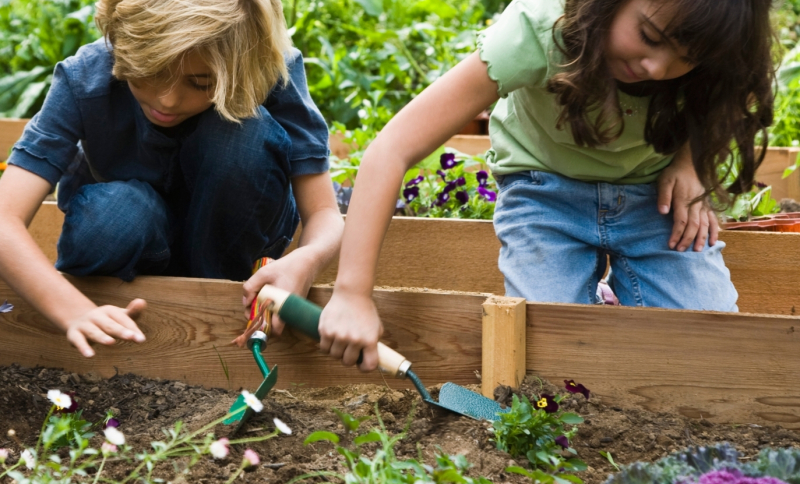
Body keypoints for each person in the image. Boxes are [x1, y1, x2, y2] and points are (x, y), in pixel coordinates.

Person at [317, 0, 775, 371]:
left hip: (653, 200)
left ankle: (611, 299)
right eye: (650, 37)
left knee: (712, 348)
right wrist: (352, 293)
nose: (656, 66)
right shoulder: (537, 29)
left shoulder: (713, 52)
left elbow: (735, 93)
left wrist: (691, 164)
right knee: (546, 356)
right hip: (544, 194)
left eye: (687, 58)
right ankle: (596, 299)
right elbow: (390, 147)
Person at [0, 0, 343, 358]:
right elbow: (4, 219)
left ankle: (215, 290)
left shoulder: (267, 66)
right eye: (149, 73)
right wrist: (73, 309)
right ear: (120, 43)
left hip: (233, 243)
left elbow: (324, 213)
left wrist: (307, 260)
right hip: (133, 245)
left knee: (241, 135)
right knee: (113, 217)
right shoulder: (85, 76)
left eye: (200, 82)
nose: (167, 99)